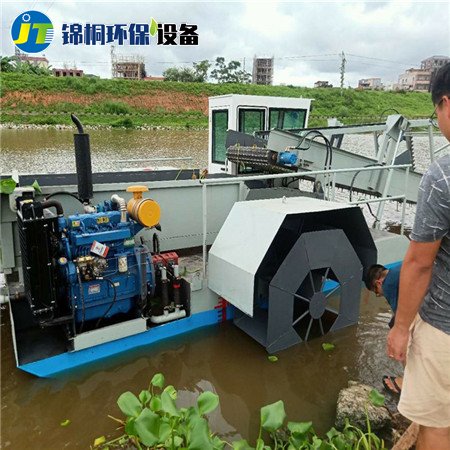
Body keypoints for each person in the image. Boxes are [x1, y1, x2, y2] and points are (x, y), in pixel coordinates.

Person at [387, 62, 450, 450]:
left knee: (436, 427)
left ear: (447, 104)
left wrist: (400, 328)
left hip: (444, 325)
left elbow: (419, 262)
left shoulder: (442, 177)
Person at [365, 263, 403, 395]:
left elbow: (401, 319)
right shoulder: (397, 269)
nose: (379, 294)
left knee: (405, 339)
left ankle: (408, 382)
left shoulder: (388, 284)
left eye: (376, 292)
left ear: (378, 283)